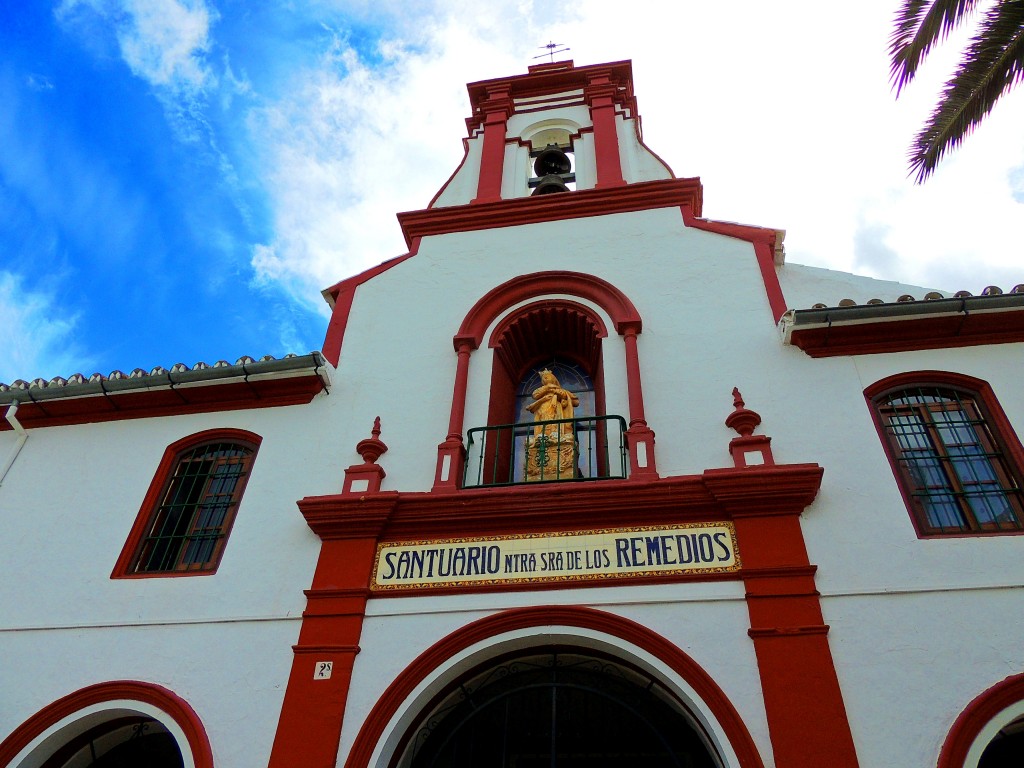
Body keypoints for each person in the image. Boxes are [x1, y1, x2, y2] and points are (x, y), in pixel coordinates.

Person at [526, 369, 579, 438]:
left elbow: (565, 395)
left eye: (547, 377)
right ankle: (544, 434)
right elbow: (535, 395)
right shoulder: (542, 389)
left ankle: (556, 434)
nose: (545, 379)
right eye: (544, 378)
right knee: (544, 419)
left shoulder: (558, 389)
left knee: (555, 419)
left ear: (553, 379)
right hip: (544, 407)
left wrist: (555, 391)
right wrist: (547, 388)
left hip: (556, 406)